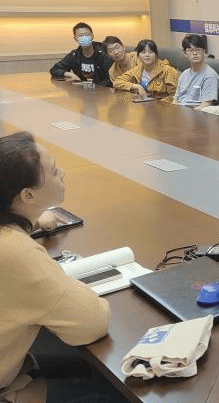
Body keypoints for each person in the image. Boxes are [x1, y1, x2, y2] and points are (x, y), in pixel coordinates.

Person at [0, 132, 112, 403]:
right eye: (53, 170)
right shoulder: (16, 253)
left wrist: (32, 219)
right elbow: (93, 322)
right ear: (28, 195)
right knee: (110, 392)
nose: (63, 172)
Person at [114, 39, 179, 101]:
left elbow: (175, 96)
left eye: (151, 52)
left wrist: (157, 104)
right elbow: (117, 82)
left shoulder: (168, 70)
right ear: (138, 56)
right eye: (143, 52)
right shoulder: (138, 69)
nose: (147, 55)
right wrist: (137, 86)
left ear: (156, 55)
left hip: (162, 106)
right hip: (143, 104)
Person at [174, 34, 219, 110]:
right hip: (180, 111)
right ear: (185, 53)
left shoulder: (210, 76)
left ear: (204, 52)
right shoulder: (184, 74)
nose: (195, 53)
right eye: (191, 50)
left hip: (197, 113)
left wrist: (185, 114)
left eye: (198, 50)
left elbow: (206, 105)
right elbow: (176, 100)